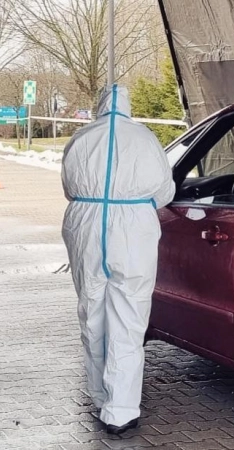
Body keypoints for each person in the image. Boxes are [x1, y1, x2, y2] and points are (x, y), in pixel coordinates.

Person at [61, 84, 175, 435]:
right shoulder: (145, 138)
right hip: (133, 231)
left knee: (92, 314)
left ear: (100, 106)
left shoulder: (81, 138)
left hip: (86, 226)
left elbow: (68, 185)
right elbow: (164, 191)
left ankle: (99, 393)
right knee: (129, 317)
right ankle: (121, 409)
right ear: (127, 107)